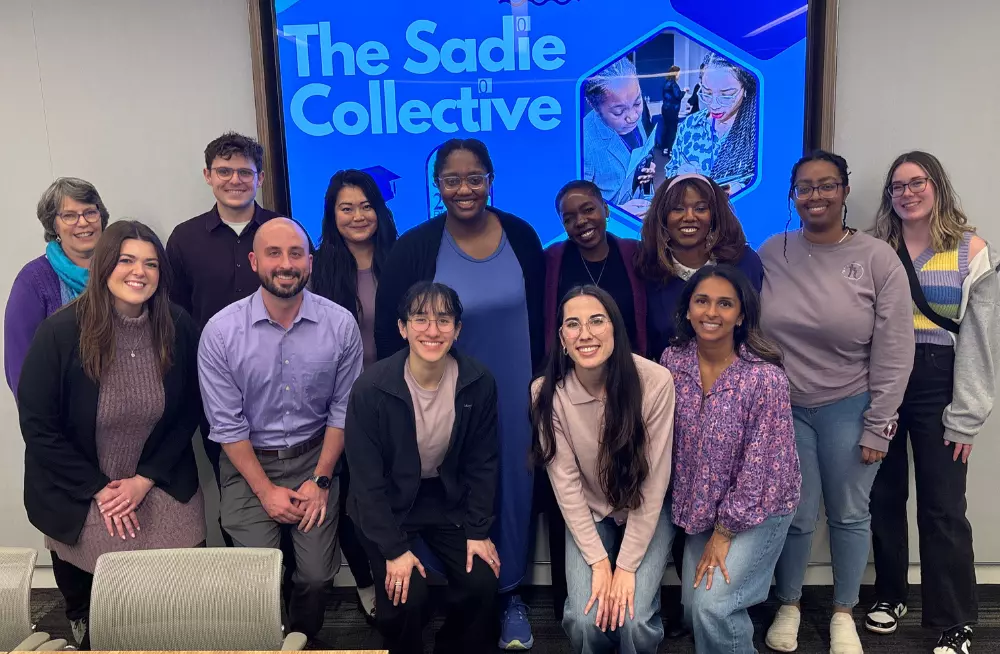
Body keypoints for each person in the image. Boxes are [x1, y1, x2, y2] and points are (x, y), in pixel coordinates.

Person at [374, 138, 544, 650]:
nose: (464, 189)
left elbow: (542, 315)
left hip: (515, 395)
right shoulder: (415, 246)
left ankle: (510, 595)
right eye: (451, 180)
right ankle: (456, 595)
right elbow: (391, 331)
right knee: (453, 486)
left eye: (475, 178)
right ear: (437, 185)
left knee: (511, 489)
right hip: (444, 397)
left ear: (491, 180)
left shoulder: (521, 235)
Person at [18, 220, 205, 648]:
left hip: (159, 478)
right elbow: (38, 428)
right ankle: (92, 629)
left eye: (151, 264)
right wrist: (100, 489)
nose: (139, 272)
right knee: (115, 613)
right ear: (104, 266)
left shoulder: (177, 325)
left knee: (183, 600)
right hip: (82, 488)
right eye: (126, 260)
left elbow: (190, 410)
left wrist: (145, 479)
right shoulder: (60, 332)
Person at [760, 151, 914, 654]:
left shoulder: (877, 258)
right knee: (795, 514)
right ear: (793, 195)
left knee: (849, 513)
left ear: (845, 190)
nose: (816, 196)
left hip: (852, 403)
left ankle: (844, 610)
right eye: (805, 187)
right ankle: (789, 603)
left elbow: (895, 348)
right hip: (784, 408)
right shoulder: (772, 251)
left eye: (827, 185)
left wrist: (880, 424)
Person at [197, 218, 363, 639]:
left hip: (315, 458)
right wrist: (265, 491)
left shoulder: (341, 325)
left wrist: (321, 481)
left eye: (295, 254)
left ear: (310, 262)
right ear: (255, 261)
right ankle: (267, 640)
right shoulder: (221, 332)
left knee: (317, 576)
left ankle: (301, 639)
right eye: (274, 253)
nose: (286, 264)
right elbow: (226, 424)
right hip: (249, 463)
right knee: (259, 577)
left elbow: (343, 411)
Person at [866, 151, 997, 654]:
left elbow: (981, 339)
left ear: (937, 185)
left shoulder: (971, 250)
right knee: (883, 496)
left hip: (940, 382)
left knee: (943, 508)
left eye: (917, 182)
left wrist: (966, 417)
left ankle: (955, 621)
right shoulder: (876, 248)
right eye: (897, 186)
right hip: (882, 382)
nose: (908, 193)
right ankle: (890, 594)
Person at [346, 281, 500, 654]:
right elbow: (366, 484)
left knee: (482, 580)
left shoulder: (478, 382)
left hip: (444, 498)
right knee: (405, 594)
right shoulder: (370, 389)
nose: (432, 330)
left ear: (457, 330)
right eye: (420, 319)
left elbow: (483, 464)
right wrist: (394, 550)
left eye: (444, 320)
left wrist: (478, 530)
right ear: (402, 328)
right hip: (386, 504)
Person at [661, 264, 800, 653]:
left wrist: (723, 534)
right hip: (701, 506)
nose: (711, 312)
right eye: (702, 301)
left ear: (740, 316)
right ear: (687, 309)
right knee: (693, 608)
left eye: (725, 304)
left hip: (758, 509)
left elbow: (758, 471)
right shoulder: (672, 362)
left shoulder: (764, 378)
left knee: (713, 607)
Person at [530, 285, 675, 654]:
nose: (585, 334)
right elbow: (566, 484)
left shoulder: (655, 381)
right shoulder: (546, 393)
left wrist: (624, 567)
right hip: (591, 510)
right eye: (573, 324)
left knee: (633, 619)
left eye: (597, 321)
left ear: (615, 328)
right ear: (562, 338)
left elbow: (654, 483)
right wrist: (599, 563)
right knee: (584, 618)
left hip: (646, 508)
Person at [166, 131, 281, 523]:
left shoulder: (283, 231)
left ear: (260, 178)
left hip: (281, 382)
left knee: (291, 480)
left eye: (245, 172)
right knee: (234, 490)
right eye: (224, 171)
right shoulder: (184, 239)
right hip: (213, 388)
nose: (235, 180)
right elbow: (175, 316)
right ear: (208, 175)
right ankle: (246, 561)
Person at [311, 168, 398, 622]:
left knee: (394, 491)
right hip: (339, 406)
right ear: (332, 214)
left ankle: (401, 578)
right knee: (349, 501)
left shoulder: (400, 258)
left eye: (366, 206)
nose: (358, 216)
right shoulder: (317, 266)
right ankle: (365, 581)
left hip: (397, 400)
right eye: (346, 208)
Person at [638, 173, 763, 361]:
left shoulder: (744, 263)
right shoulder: (648, 271)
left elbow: (755, 331)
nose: (689, 217)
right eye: (677, 209)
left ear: (714, 215)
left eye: (700, 208)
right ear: (662, 217)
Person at [6, 178, 109, 397]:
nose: (83, 222)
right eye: (69, 216)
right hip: (61, 412)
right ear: (54, 226)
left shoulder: (120, 271)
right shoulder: (32, 281)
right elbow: (21, 368)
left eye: (90, 212)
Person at [545, 180, 647, 355]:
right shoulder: (551, 261)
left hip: (630, 364)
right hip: (574, 367)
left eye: (588, 210)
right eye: (569, 219)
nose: (580, 221)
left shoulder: (636, 254)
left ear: (606, 209)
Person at [666, 53, 758, 195]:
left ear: (745, 89)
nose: (714, 105)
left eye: (726, 95)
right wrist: (679, 175)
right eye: (707, 93)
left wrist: (742, 189)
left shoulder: (757, 132)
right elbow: (670, 171)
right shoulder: (690, 125)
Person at [581, 56, 657, 217]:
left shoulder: (638, 120)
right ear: (595, 107)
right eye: (618, 111)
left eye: (637, 103)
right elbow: (577, 210)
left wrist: (645, 177)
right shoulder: (583, 144)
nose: (633, 117)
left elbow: (638, 164)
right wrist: (617, 214)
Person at [659, 66, 685, 157]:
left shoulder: (666, 83)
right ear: (675, 74)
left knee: (666, 129)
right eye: (679, 74)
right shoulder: (674, 84)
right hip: (672, 111)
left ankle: (664, 149)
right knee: (672, 130)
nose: (679, 76)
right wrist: (684, 91)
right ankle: (671, 150)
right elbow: (678, 96)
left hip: (665, 110)